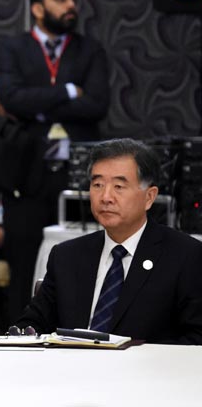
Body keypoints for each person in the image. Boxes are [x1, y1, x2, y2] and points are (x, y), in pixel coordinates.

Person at [0, 0, 109, 319]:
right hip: (27, 175)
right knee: (23, 269)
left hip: (78, 177)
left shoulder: (90, 50)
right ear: (38, 8)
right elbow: (11, 99)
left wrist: (38, 106)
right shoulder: (13, 48)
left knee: (82, 266)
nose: (71, 6)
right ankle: (18, 336)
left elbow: (97, 105)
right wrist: (69, 92)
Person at [17, 139, 202, 344]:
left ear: (149, 197)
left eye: (119, 186)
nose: (106, 197)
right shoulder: (67, 256)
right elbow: (32, 324)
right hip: (73, 363)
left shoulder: (185, 256)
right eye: (98, 185)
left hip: (146, 364)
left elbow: (196, 339)